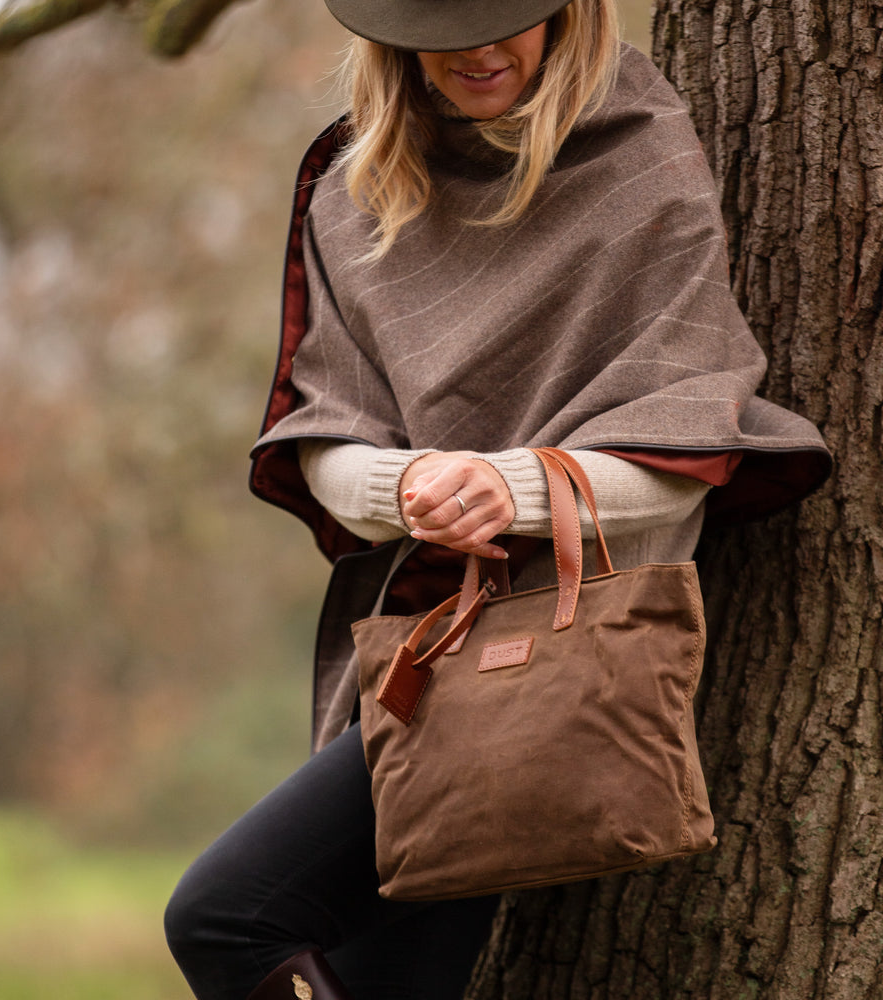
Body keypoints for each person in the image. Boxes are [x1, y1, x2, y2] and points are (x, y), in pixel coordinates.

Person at [164, 1, 831, 997]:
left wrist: (511, 487)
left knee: (224, 913)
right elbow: (323, 440)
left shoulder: (639, 157)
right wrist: (412, 484)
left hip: (566, 653)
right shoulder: (353, 197)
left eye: (506, 15)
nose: (480, 48)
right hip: (418, 647)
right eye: (447, 23)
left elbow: (692, 437)